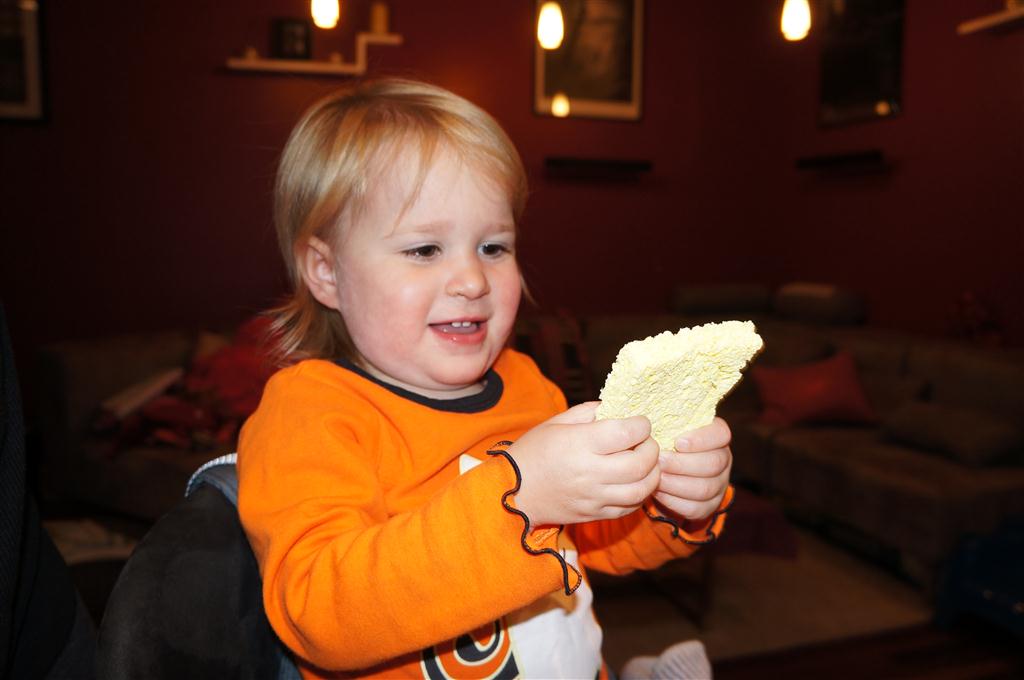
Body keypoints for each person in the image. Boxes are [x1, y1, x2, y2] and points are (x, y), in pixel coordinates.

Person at [237, 78, 734, 680]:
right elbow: (320, 613)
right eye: (425, 250)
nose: (472, 280)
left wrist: (671, 499)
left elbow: (598, 539)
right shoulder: (310, 411)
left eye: (494, 247)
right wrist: (520, 501)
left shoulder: (528, 385)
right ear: (326, 272)